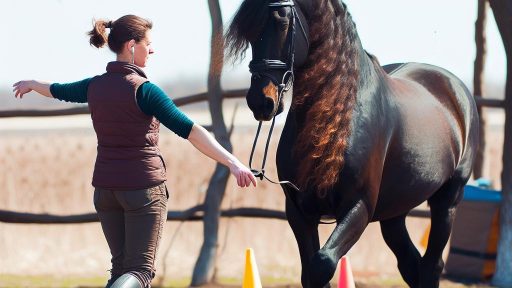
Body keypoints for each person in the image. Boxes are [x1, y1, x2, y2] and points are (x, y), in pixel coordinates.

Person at [12, 15, 257, 288]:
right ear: (131, 45)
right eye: (147, 44)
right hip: (142, 189)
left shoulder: (94, 86)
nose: (151, 50)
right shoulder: (145, 91)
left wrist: (32, 83)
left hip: (106, 191)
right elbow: (191, 130)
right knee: (139, 272)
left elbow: (58, 90)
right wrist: (233, 163)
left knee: (120, 272)